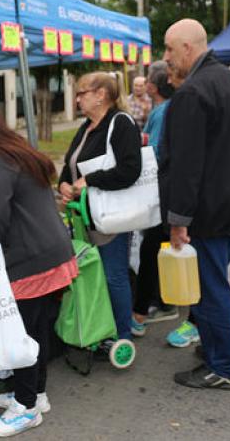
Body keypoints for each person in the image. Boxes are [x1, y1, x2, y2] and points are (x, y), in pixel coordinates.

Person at [0, 102, 76, 437]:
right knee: (36, 329)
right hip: (54, 253)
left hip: (30, 260)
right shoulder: (18, 151)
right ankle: (35, 394)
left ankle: (25, 408)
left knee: (21, 333)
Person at [160, 19, 230, 389]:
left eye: (170, 49)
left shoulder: (194, 91)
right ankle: (216, 350)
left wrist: (178, 219)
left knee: (211, 287)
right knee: (214, 284)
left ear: (188, 48)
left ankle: (224, 367)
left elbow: (186, 165)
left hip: (206, 210)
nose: (167, 57)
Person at [59, 72, 141, 343]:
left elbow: (131, 170)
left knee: (113, 274)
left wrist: (89, 180)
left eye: (82, 92)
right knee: (98, 274)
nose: (78, 98)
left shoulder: (121, 123)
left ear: (101, 94)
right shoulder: (86, 127)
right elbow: (70, 164)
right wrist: (64, 184)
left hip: (112, 216)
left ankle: (122, 333)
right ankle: (103, 328)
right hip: (86, 216)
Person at [131, 61, 179, 337]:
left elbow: (155, 153)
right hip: (164, 192)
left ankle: (159, 303)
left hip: (162, 192)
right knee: (158, 247)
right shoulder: (163, 110)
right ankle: (164, 299)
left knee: (153, 248)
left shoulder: (163, 112)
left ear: (152, 86)